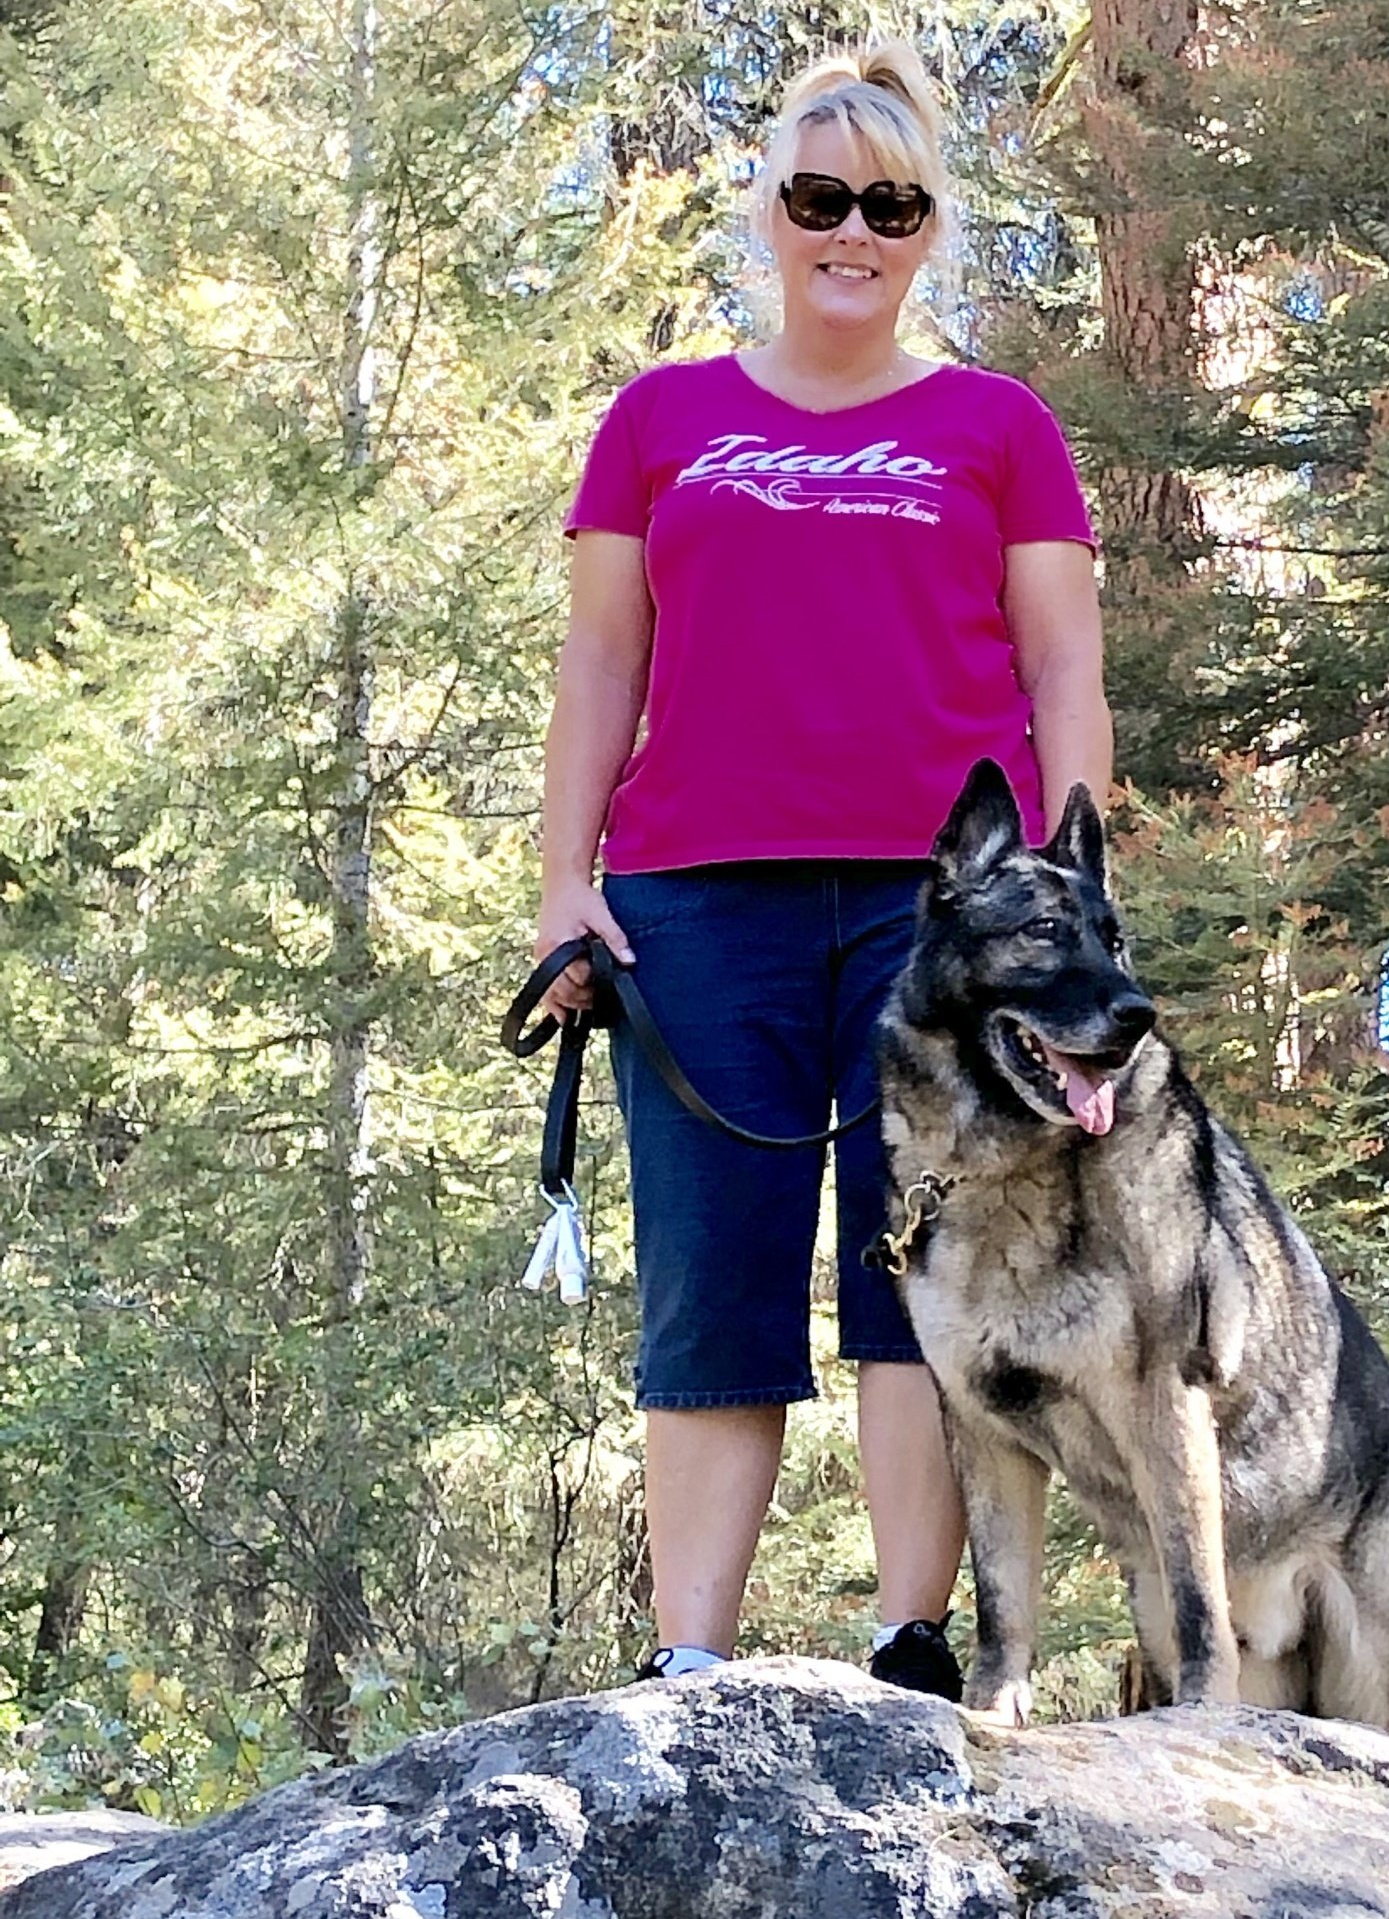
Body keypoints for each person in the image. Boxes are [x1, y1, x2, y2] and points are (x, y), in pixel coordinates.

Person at [534, 39, 1109, 1698]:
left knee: (923, 1275)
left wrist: (1068, 906)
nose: (853, 230)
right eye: (820, 198)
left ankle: (912, 1642)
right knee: (713, 1282)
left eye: (891, 203)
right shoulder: (660, 420)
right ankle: (691, 1667)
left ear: (929, 228)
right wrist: (565, 880)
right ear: (771, 215)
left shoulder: (1003, 429)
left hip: (954, 919)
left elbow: (1066, 672)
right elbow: (599, 664)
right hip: (694, 905)